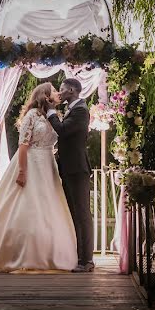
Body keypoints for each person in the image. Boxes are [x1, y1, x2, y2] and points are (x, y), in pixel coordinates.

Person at [0, 83, 78, 272]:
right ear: (45, 95)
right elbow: (23, 145)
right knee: (27, 207)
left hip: (48, 165)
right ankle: (19, 254)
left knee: (49, 209)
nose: (58, 93)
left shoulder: (54, 117)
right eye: (54, 91)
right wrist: (21, 171)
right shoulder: (31, 115)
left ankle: (50, 254)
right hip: (31, 162)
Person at [46, 78, 94, 273]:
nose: (59, 92)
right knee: (74, 213)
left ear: (72, 90)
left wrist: (50, 113)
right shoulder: (73, 110)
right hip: (69, 169)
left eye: (62, 89)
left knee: (82, 214)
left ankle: (87, 260)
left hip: (77, 169)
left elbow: (63, 130)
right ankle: (78, 257)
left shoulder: (81, 111)